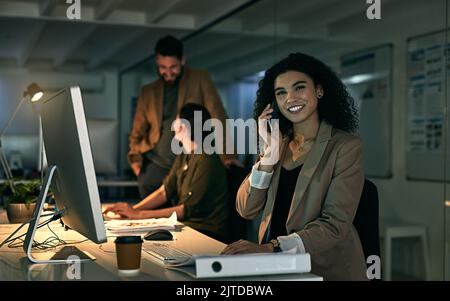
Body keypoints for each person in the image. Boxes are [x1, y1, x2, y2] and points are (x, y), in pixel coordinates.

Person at [221, 53, 367, 281]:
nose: (290, 98)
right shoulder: (278, 142)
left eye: (299, 88)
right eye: (281, 93)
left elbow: (335, 225)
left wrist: (272, 248)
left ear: (319, 90)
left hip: (322, 269)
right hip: (274, 268)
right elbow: (246, 209)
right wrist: (269, 157)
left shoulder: (346, 147)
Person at [128, 35, 239, 198]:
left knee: (186, 214)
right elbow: (137, 131)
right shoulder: (148, 91)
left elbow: (218, 116)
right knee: (149, 217)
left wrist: (227, 156)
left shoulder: (200, 78)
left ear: (183, 60)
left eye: (173, 67)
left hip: (189, 160)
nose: (167, 72)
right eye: (162, 67)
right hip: (156, 163)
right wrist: (137, 165)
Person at [107, 104, 230, 242]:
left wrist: (139, 214)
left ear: (183, 126)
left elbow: (186, 210)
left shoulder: (207, 160)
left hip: (206, 232)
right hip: (188, 226)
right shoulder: (185, 154)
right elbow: (164, 191)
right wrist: (131, 210)